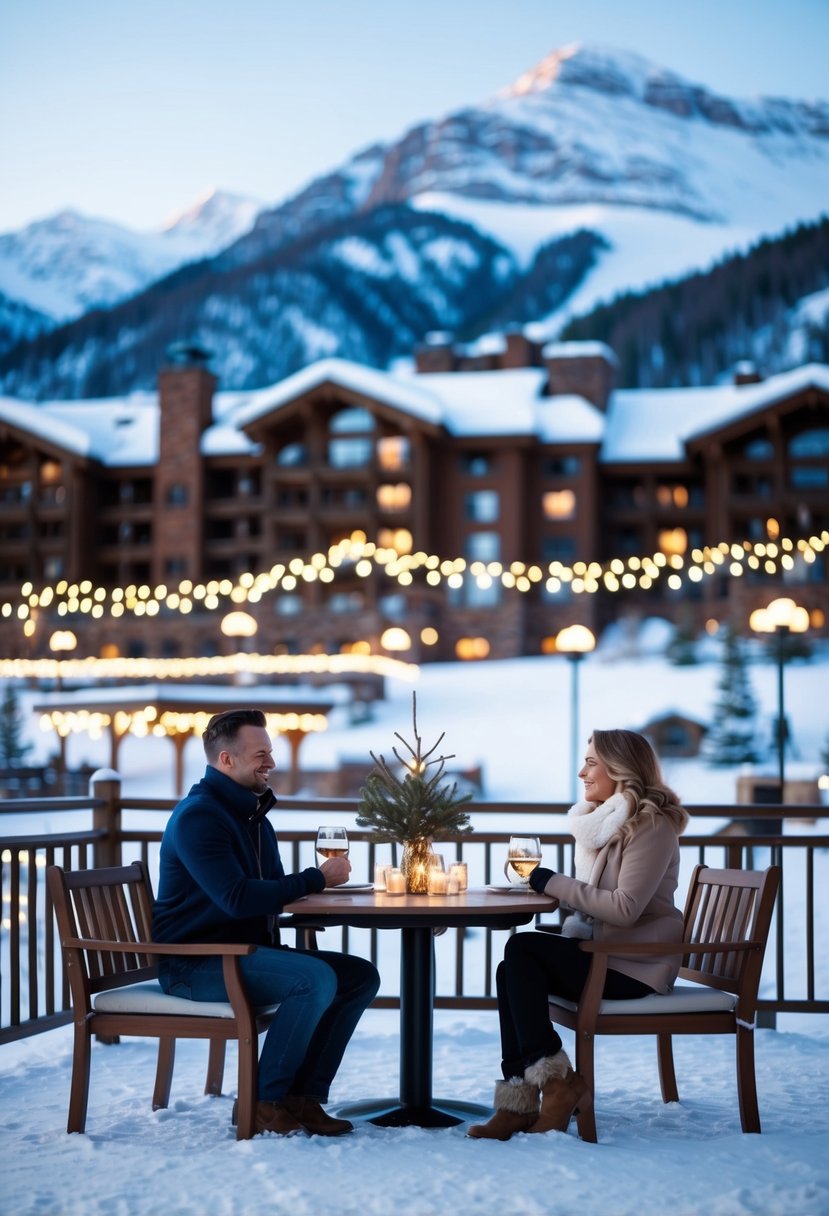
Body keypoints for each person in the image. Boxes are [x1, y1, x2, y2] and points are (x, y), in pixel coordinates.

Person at [153, 708, 380, 1137]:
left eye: (270, 752)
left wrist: (329, 891)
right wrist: (316, 877)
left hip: (244, 952)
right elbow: (237, 898)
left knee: (358, 976)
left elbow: (272, 887)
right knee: (312, 979)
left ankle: (301, 1097)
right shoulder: (200, 818)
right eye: (261, 754)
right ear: (226, 760)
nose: (271, 763)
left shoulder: (253, 817)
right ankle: (261, 1102)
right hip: (195, 962)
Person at [469, 728, 688, 1141]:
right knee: (510, 967)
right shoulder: (610, 825)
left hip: (633, 966)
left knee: (522, 947)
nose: (581, 772)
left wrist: (550, 881)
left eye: (591, 762)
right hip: (605, 953)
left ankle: (556, 1090)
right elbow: (600, 904)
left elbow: (623, 909)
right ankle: (519, 1101)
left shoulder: (651, 826)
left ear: (620, 769)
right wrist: (554, 888)